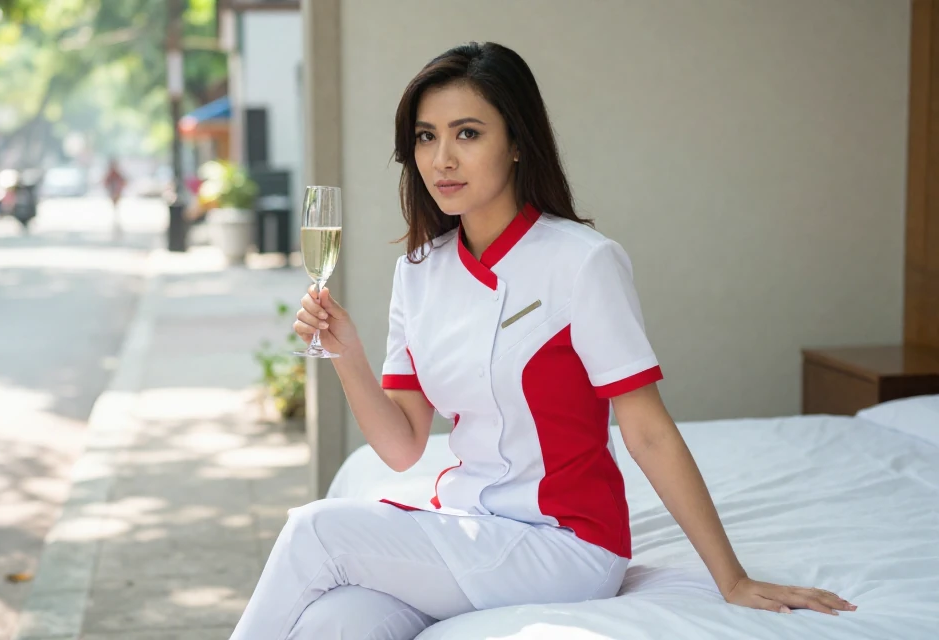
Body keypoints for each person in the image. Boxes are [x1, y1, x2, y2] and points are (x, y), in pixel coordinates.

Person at [228, 42, 856, 640]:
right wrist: (347, 355)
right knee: (333, 623)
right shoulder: (419, 271)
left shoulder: (582, 262)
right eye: (427, 136)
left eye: (467, 133)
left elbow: (648, 431)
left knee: (315, 532)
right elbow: (401, 446)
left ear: (518, 144)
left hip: (567, 544)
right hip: (472, 529)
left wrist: (733, 578)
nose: (442, 158)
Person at [104, 158, 128, 236]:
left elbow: (123, 181)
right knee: (114, 204)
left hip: (116, 192)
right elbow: (106, 182)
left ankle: (116, 214)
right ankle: (115, 214)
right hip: (113, 192)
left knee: (116, 204)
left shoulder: (117, 173)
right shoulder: (110, 173)